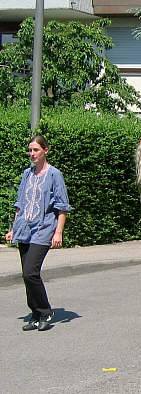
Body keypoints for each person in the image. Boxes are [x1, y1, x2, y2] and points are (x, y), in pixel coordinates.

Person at [4, 136, 71, 331]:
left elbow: (62, 207)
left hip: (43, 229)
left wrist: (58, 232)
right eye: (30, 150)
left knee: (30, 272)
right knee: (27, 275)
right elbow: (20, 205)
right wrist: (13, 229)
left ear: (45, 151)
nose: (32, 154)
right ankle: (35, 313)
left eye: (36, 150)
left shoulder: (54, 175)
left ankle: (45, 311)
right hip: (24, 229)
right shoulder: (27, 174)